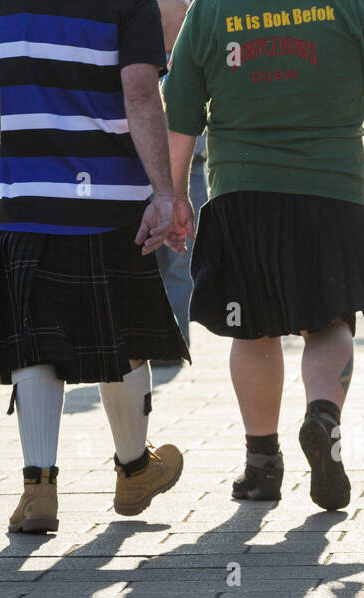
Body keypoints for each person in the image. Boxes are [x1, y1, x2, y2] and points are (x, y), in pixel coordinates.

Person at [0, 0, 190, 535]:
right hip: (112, 198)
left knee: (35, 336)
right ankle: (135, 469)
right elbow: (141, 93)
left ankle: (39, 489)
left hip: (29, 203)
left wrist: (36, 148)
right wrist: (164, 192)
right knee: (122, 333)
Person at [163, 0, 364, 511]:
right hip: (330, 191)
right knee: (329, 320)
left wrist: (174, 195)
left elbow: (183, 115)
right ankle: (322, 416)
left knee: (253, 328)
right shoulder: (352, 7)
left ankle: (261, 468)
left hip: (241, 191)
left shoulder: (210, 10)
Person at [154, 0, 208, 347]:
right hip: (141, 171)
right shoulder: (138, 57)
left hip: (193, 171)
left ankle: (174, 342)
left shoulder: (196, 53)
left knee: (178, 263)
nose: (187, 10)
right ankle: (146, 340)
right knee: (147, 260)